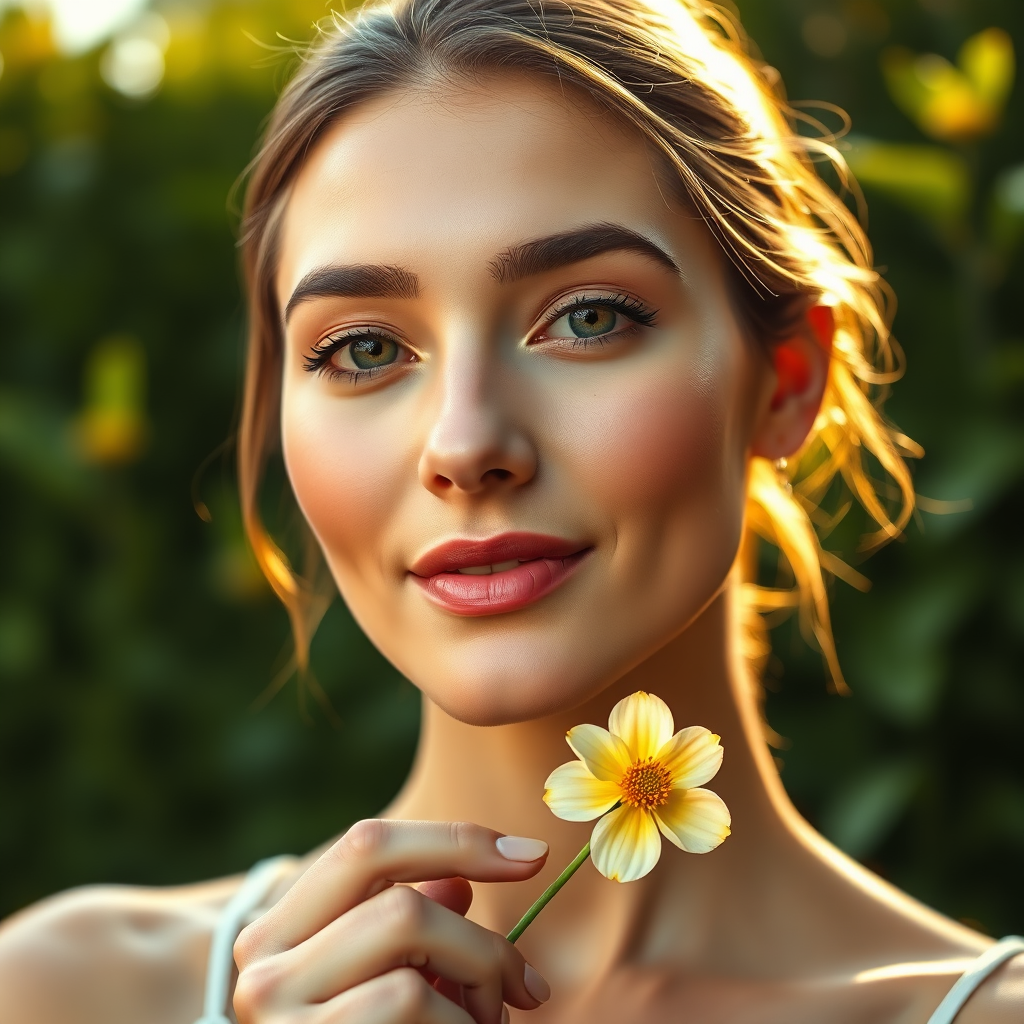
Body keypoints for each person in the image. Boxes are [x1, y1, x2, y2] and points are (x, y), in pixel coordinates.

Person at [0, 0, 1021, 1020]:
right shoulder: (63, 993)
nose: (464, 443)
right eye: (362, 348)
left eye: (586, 318)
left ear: (787, 377)